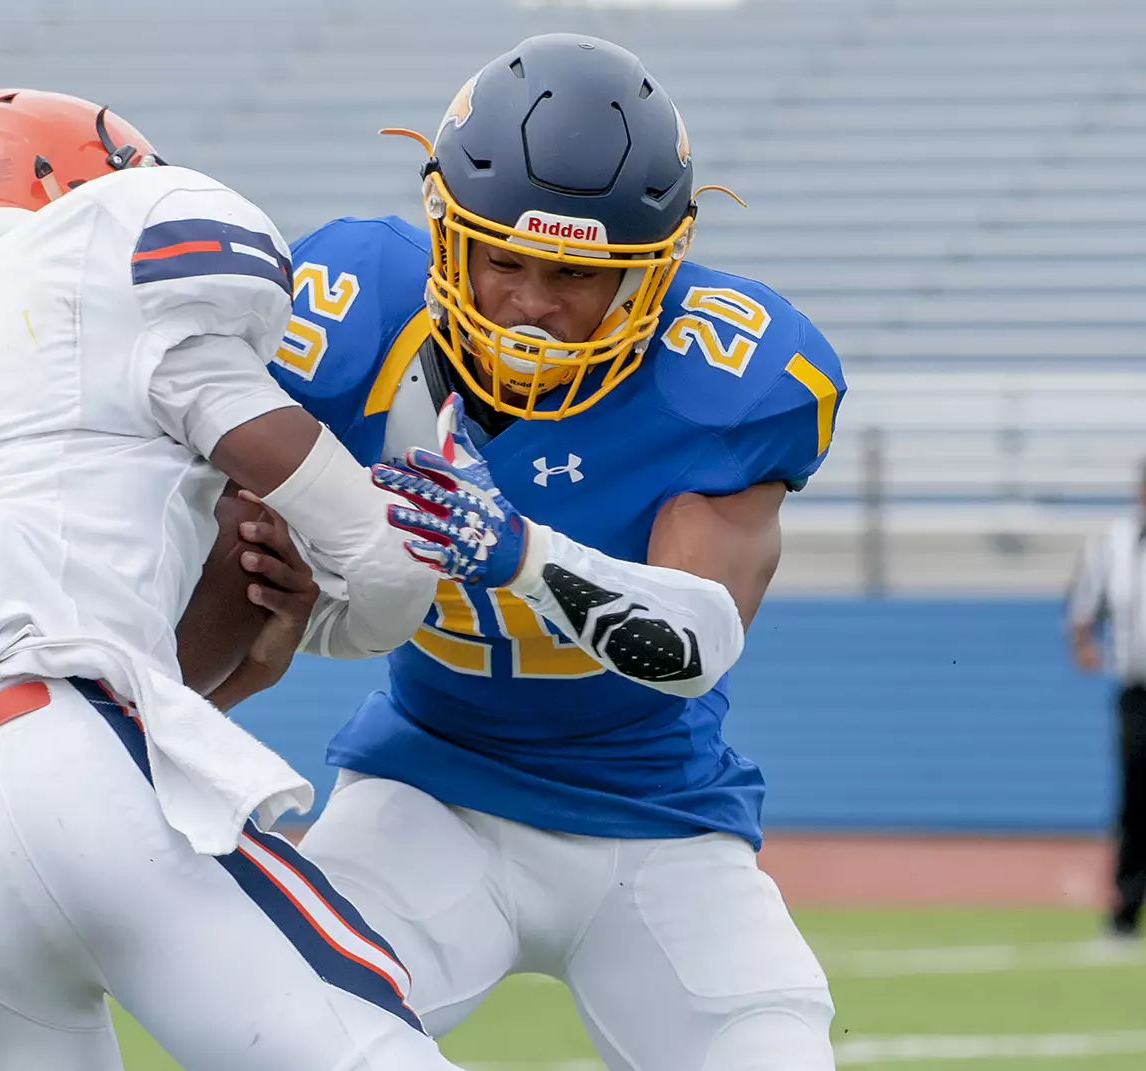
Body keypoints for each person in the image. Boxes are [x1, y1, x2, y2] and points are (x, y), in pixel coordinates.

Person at [0, 88, 456, 1071]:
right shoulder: (105, 243)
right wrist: (364, 590)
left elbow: (8, 634)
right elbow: (375, 563)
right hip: (69, 770)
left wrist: (239, 677)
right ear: (77, 178)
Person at [273, 35, 846, 1071]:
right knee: (279, 1024)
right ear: (450, 236)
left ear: (653, 270)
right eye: (505, 261)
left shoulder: (720, 376)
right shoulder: (355, 316)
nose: (532, 303)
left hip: (655, 815)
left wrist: (519, 555)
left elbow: (698, 639)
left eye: (577, 274)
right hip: (426, 789)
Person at [1067, 462, 1146, 940]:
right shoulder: (1114, 543)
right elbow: (1083, 610)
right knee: (1136, 800)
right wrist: (1084, 645)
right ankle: (1125, 913)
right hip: (1136, 692)